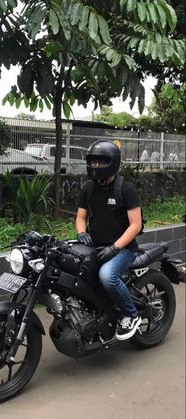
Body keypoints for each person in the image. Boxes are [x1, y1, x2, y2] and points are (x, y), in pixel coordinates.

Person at [76, 140, 142, 341]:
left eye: (101, 161)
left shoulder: (125, 189)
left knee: (107, 276)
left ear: (113, 163)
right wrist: (81, 232)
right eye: (93, 162)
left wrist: (115, 248)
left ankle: (132, 315)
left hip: (124, 249)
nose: (96, 166)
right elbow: (81, 217)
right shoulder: (88, 188)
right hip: (96, 247)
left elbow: (136, 225)